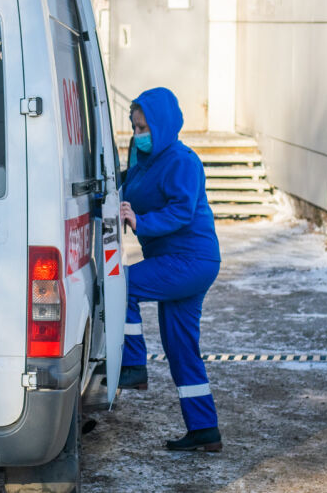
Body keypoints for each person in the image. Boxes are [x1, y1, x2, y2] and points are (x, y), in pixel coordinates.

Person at [118, 87, 223, 452]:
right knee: (180, 346)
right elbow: (126, 188)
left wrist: (139, 221)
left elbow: (181, 211)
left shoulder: (182, 160)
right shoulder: (142, 161)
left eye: (144, 127)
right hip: (173, 260)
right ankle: (204, 429)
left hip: (191, 259)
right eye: (134, 127)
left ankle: (132, 366)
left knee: (124, 285)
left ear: (162, 125)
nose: (138, 135)